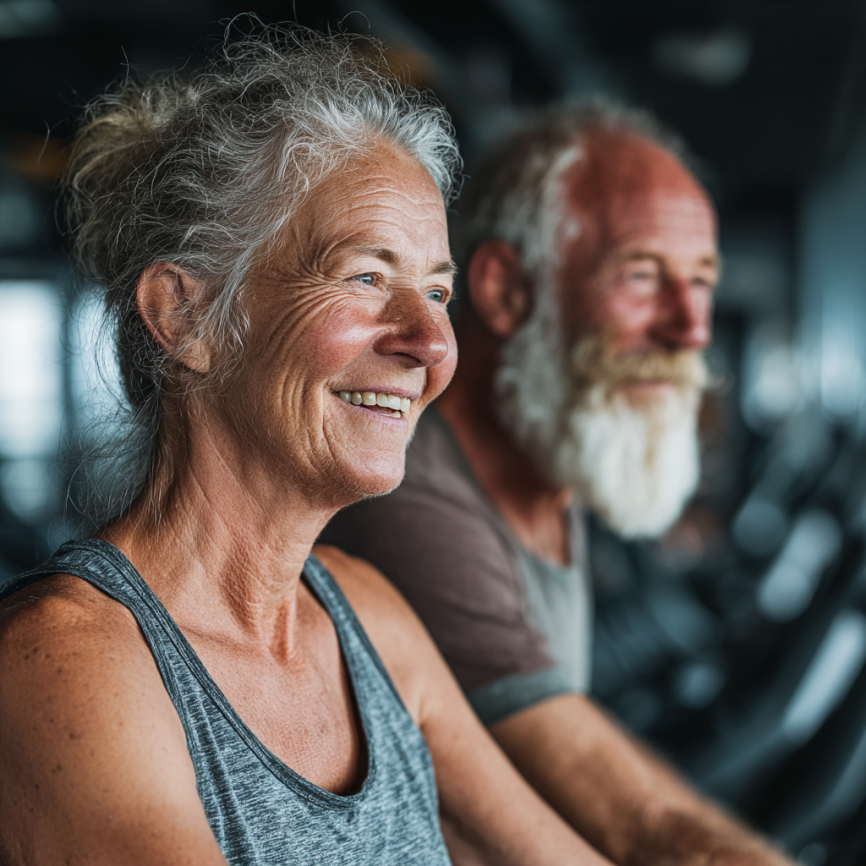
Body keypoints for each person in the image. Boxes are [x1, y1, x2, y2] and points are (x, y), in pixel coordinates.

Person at [0, 34, 614, 866]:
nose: (433, 342)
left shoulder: (366, 616)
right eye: (366, 277)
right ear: (185, 316)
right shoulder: (66, 664)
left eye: (438, 291)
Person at [323, 105, 792, 866]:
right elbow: (642, 832)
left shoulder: (553, 459)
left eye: (701, 282)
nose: (692, 329)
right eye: (642, 276)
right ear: (507, 289)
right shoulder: (409, 502)